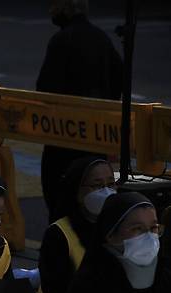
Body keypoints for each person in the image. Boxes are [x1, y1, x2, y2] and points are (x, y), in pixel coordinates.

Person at [37, 0, 123, 221]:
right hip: (96, 132)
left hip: (64, 132)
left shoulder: (61, 40)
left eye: (54, 6)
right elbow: (119, 77)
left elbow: (46, 87)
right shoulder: (101, 37)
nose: (50, 11)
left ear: (66, 8)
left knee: (59, 192)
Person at [38, 156, 115, 293]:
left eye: (111, 184)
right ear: (76, 190)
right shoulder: (59, 234)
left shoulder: (118, 226)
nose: (107, 191)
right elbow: (56, 292)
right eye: (97, 186)